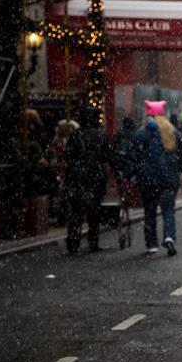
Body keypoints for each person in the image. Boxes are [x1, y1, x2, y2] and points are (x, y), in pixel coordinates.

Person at [132, 100, 182, 256]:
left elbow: (133, 155)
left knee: (149, 211)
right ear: (163, 114)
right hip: (168, 178)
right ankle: (169, 237)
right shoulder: (172, 131)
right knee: (168, 210)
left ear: (148, 114)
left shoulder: (142, 133)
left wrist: (130, 173)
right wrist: (180, 168)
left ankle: (151, 244)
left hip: (148, 179)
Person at [64, 107, 115, 254]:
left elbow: (68, 155)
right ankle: (93, 242)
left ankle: (73, 243)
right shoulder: (101, 136)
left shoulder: (75, 135)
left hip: (77, 177)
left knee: (76, 212)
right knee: (94, 211)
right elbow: (109, 157)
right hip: (95, 178)